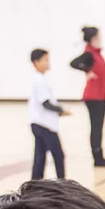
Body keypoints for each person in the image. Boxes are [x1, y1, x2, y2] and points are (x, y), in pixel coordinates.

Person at [77, 27, 105, 167]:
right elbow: (74, 63)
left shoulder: (96, 53)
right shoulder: (89, 53)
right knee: (96, 127)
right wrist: (87, 71)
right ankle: (97, 157)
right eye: (98, 38)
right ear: (93, 39)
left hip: (100, 95)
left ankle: (99, 155)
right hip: (94, 97)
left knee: (98, 127)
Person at [29, 48, 70, 180]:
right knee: (58, 155)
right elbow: (45, 103)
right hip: (44, 124)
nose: (48, 62)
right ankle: (62, 184)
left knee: (40, 157)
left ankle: (35, 183)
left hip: (39, 123)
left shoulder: (40, 79)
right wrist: (61, 110)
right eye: (45, 60)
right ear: (36, 62)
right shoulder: (39, 80)